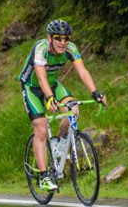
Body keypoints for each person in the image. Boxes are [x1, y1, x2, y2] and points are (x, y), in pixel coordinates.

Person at [19, 19, 107, 191]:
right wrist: (50, 98)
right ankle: (44, 176)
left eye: (66, 38)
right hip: (32, 87)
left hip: (53, 85)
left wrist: (95, 92)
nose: (62, 42)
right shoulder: (41, 49)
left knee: (73, 110)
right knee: (41, 127)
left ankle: (59, 142)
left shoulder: (71, 49)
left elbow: (82, 71)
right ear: (49, 37)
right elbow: (41, 78)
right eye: (58, 38)